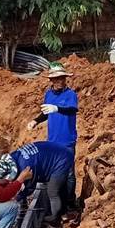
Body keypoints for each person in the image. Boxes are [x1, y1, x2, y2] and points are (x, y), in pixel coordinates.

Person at [27, 62, 78, 216]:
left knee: (69, 173)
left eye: (62, 78)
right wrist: (36, 120)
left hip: (67, 140)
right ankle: (58, 204)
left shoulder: (70, 94)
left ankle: (70, 204)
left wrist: (57, 108)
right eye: (56, 79)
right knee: (56, 173)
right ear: (51, 80)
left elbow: (72, 109)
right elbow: (46, 113)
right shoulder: (48, 95)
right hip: (53, 142)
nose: (59, 81)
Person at [0, 141, 74, 228]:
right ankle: (63, 209)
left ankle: (55, 221)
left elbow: (30, 188)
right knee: (55, 187)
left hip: (61, 159)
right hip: (55, 152)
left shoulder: (27, 168)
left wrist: (17, 198)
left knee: (53, 192)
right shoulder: (13, 157)